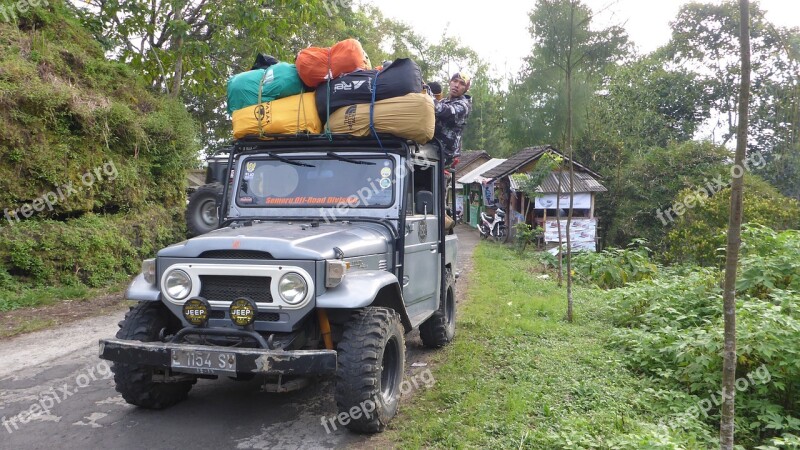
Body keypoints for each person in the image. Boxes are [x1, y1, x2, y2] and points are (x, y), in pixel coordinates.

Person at [433, 72, 472, 169]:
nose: (457, 85)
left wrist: (426, 95)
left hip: (445, 153)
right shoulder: (443, 101)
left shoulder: (464, 106)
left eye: (462, 84)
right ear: (450, 82)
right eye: (455, 81)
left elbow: (443, 111)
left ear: (466, 89)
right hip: (432, 145)